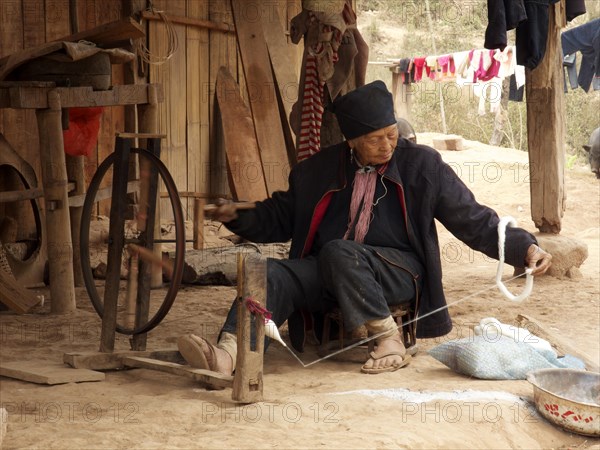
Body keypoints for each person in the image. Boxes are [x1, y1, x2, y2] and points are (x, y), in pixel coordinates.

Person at [177, 80, 552, 376]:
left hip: (399, 271)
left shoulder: (423, 166)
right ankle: (228, 355)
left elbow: (472, 217)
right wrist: (236, 215)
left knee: (340, 251)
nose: (388, 145)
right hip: (332, 266)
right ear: (351, 141)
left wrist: (524, 248)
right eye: (375, 139)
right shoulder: (317, 170)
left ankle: (387, 341)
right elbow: (279, 216)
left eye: (392, 135)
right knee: (270, 272)